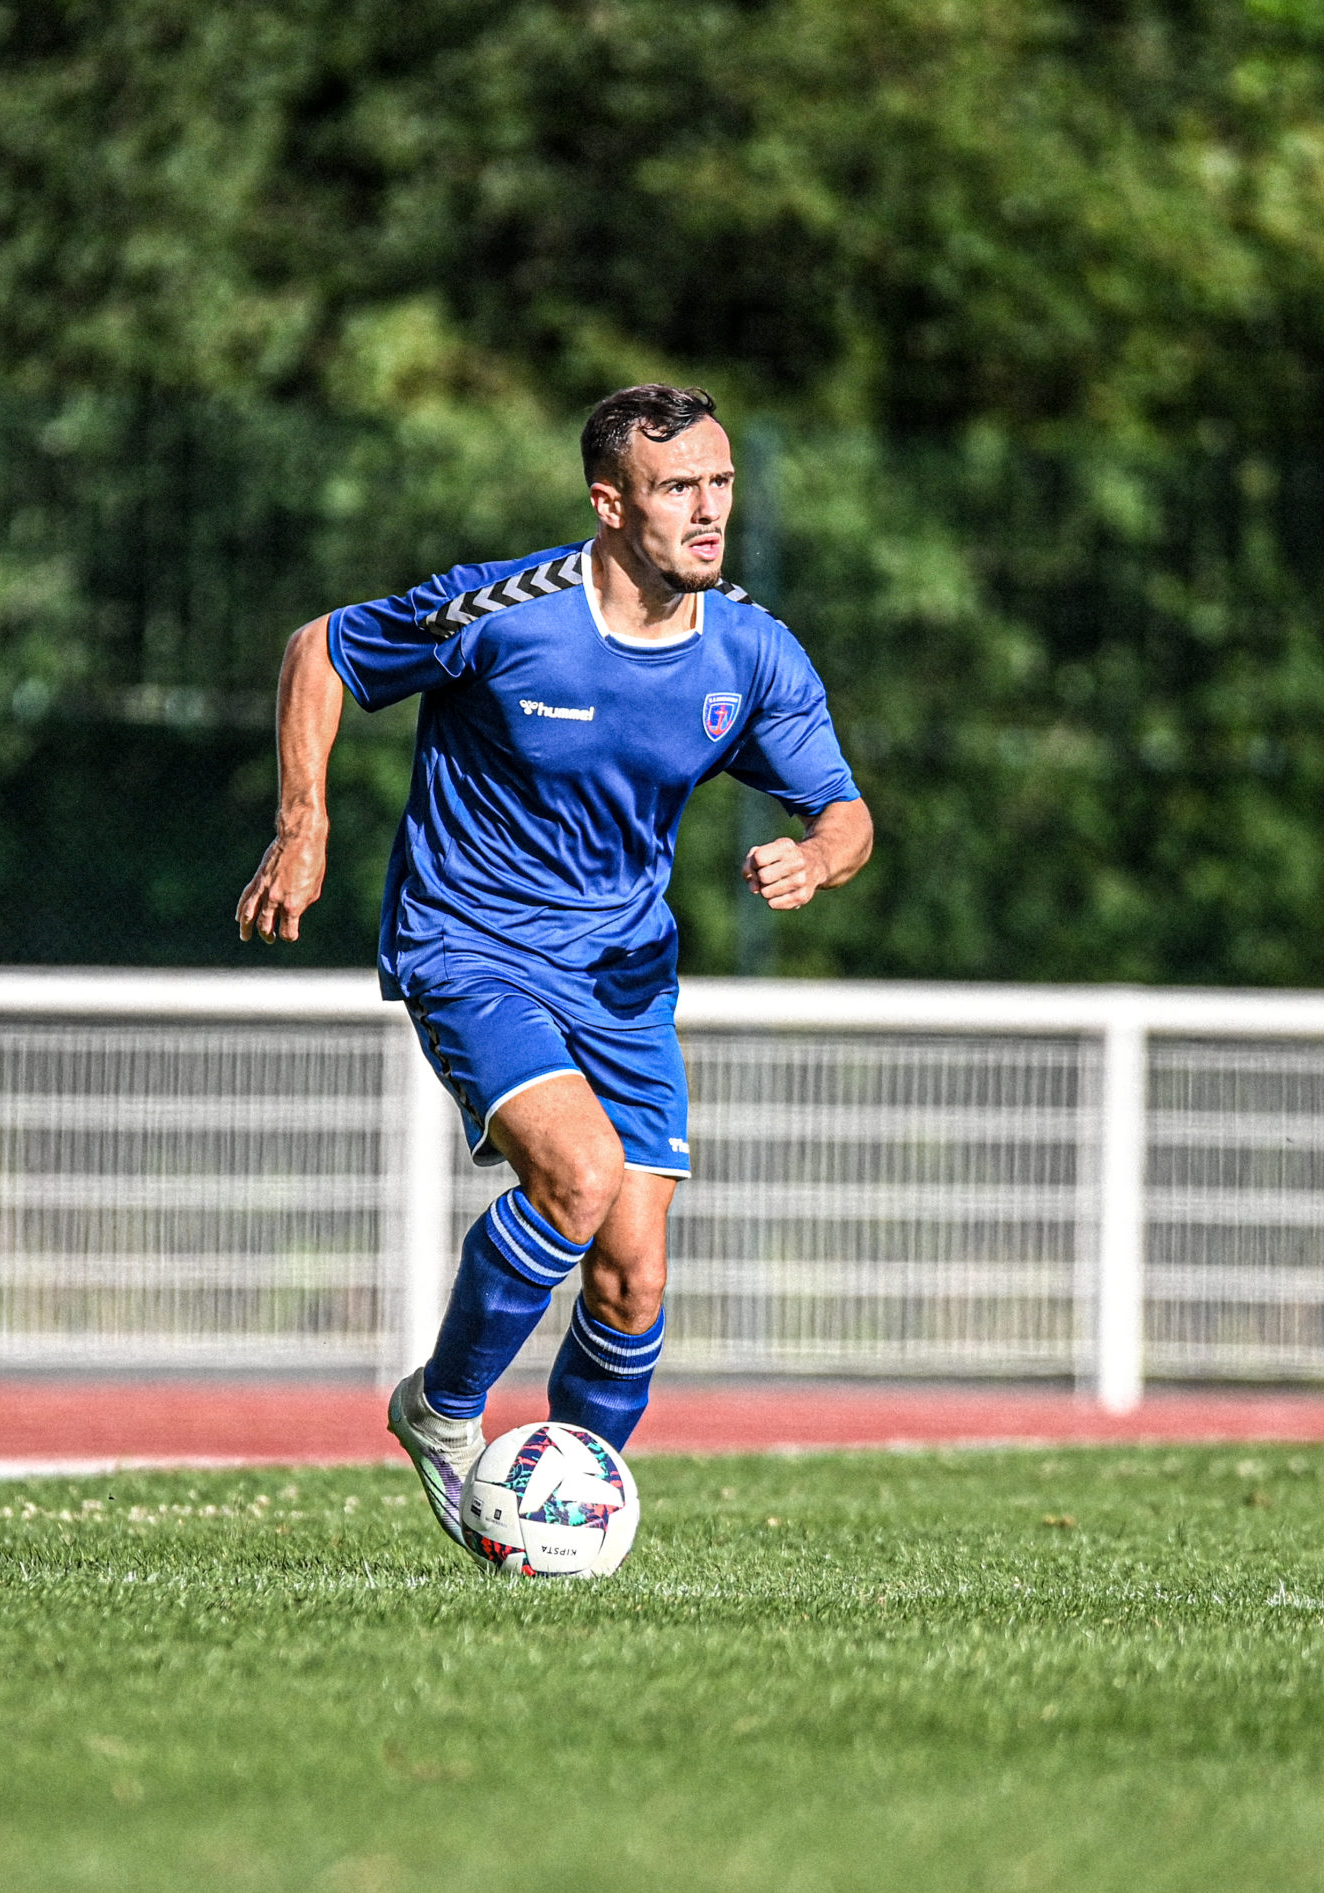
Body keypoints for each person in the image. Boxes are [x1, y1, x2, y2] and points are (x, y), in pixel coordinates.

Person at [234, 384, 874, 1554]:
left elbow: (843, 809)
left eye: (721, 483)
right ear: (610, 502)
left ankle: (560, 1522)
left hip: (622, 978)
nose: (709, 509)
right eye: (679, 486)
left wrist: (819, 861)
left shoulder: (749, 647)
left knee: (631, 1278)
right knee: (575, 1181)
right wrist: (304, 823)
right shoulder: (510, 611)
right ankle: (443, 1408)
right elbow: (321, 650)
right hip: (470, 946)